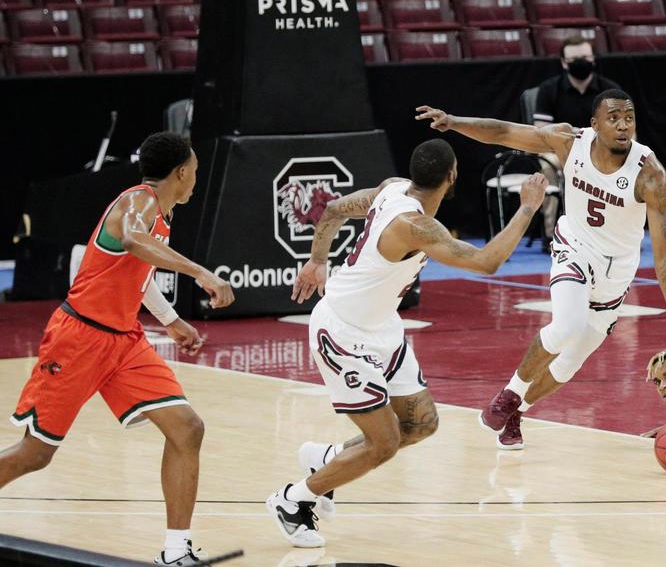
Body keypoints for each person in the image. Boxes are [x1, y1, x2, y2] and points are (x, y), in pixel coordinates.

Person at [268, 139, 547, 548]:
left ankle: (325, 459)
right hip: (342, 332)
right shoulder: (416, 226)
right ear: (452, 177)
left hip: (382, 328)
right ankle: (293, 499)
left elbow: (330, 210)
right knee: (384, 443)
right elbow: (486, 261)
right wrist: (527, 208)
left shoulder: (391, 188)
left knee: (421, 425)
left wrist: (317, 260)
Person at [0, 131, 234, 566]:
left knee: (188, 428)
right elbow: (132, 242)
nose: (196, 179)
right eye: (196, 171)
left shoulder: (161, 215)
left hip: (124, 341)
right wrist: (201, 272)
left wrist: (172, 321)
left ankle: (176, 551)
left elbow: (137, 270)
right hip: (80, 338)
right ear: (182, 173)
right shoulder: (138, 202)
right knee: (35, 455)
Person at [415, 90, 666, 450]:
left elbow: (665, 254)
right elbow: (503, 132)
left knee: (567, 366)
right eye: (614, 118)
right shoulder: (568, 141)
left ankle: (517, 410)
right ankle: (508, 394)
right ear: (595, 125)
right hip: (573, 249)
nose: (624, 125)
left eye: (629, 118)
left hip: (615, 275)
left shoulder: (650, 175)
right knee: (567, 325)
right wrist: (453, 122)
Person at [531, 36, 621, 238]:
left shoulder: (610, 91)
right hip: (560, 151)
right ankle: (552, 235)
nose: (580, 62)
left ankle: (618, 232)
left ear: (593, 59)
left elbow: (622, 131)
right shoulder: (548, 90)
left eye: (585, 57)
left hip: (602, 151)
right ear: (564, 62)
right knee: (548, 165)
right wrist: (570, 152)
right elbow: (542, 132)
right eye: (574, 59)